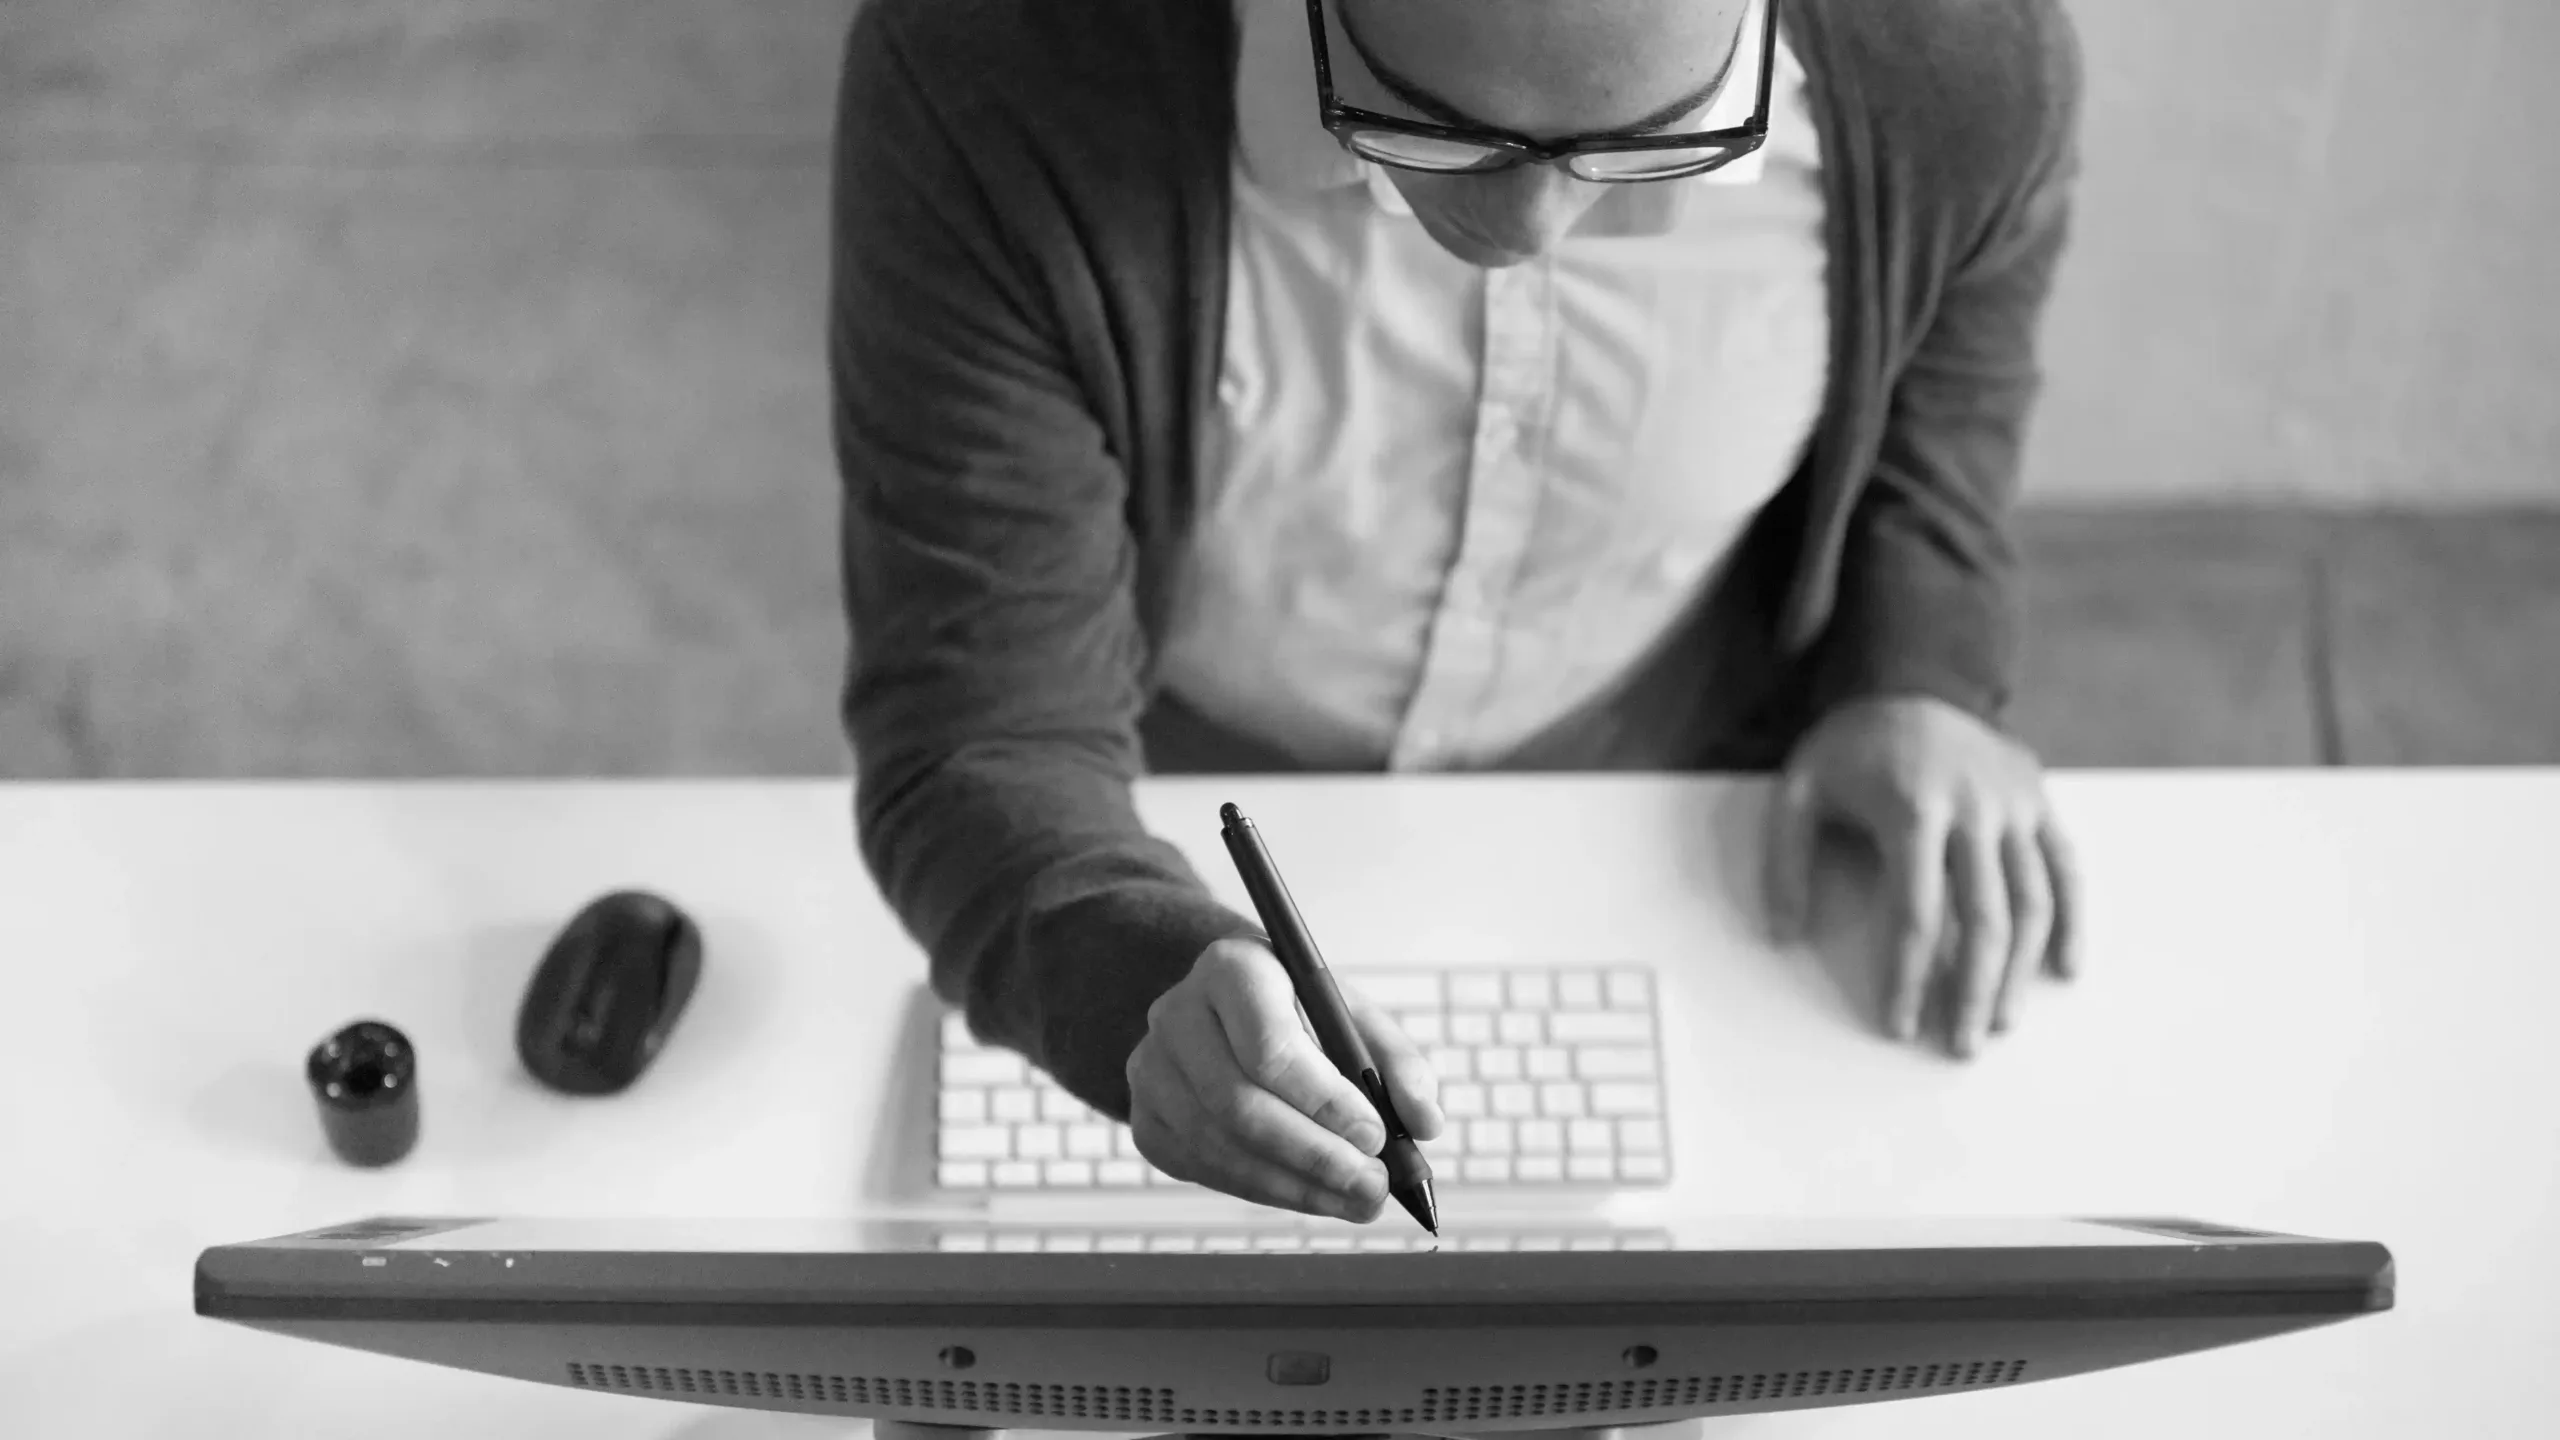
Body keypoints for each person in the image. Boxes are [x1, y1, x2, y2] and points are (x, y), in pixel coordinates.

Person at [828, 0, 2085, 1224]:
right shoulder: (984, 66)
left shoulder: (1965, 57)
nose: (1526, 222)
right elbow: (982, 728)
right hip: (1178, 791)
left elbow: (1948, 376)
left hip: (1654, 812)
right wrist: (1133, 971)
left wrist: (1913, 667)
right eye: (1427, 127)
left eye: (1654, 140)